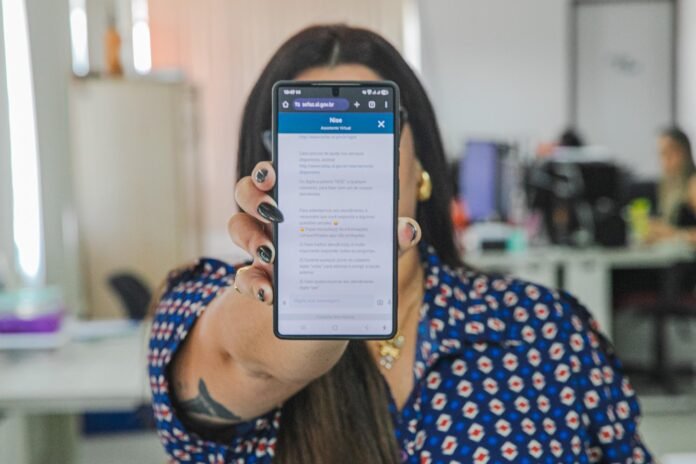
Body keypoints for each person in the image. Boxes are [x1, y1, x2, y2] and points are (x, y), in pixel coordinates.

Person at [148, 25, 652, 463]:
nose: (345, 158)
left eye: (371, 132)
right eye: (314, 140)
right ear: (267, 173)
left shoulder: (543, 325)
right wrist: (313, 278)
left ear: (421, 167)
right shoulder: (205, 302)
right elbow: (245, 359)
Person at [647, 127, 696, 241]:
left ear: (684, 153)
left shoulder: (693, 184)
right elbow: (672, 224)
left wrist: (673, 234)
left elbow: (673, 231)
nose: (664, 161)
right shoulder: (668, 183)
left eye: (668, 153)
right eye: (661, 154)